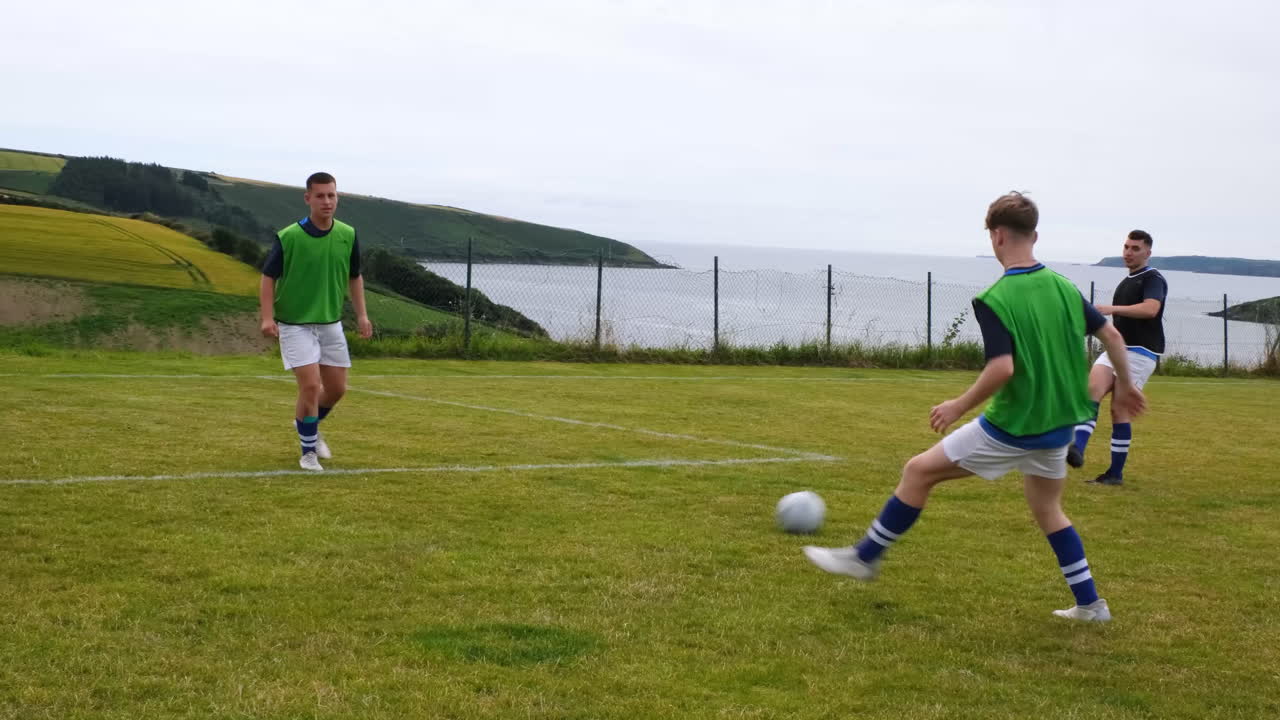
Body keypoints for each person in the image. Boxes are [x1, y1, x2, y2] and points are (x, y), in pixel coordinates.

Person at [803, 192, 1146, 623]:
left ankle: (865, 557)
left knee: (917, 471)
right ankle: (1092, 605)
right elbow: (1113, 338)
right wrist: (1127, 387)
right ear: (1033, 235)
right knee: (1048, 511)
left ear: (996, 236)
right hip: (1059, 426)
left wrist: (957, 404)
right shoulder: (1064, 287)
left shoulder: (996, 298)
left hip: (1013, 425)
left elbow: (1002, 368)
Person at [259, 172, 373, 471]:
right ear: (307, 198)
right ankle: (308, 452)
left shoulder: (348, 234)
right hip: (294, 324)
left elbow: (355, 276)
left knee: (336, 389)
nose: (327, 201)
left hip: (330, 323)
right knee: (310, 387)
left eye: (331, 195)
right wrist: (268, 318)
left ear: (337, 197)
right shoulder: (289, 237)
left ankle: (307, 425)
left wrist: (362, 315)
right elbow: (268, 277)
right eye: (320, 195)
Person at [1068, 230, 1167, 485]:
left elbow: (1151, 309)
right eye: (1126, 247)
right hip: (1115, 350)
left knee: (1118, 409)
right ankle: (1076, 449)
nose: (1128, 252)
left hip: (1141, 352)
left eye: (1135, 248)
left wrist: (1111, 309)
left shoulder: (1153, 278)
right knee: (1091, 392)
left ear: (1148, 252)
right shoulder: (1127, 281)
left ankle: (1115, 474)